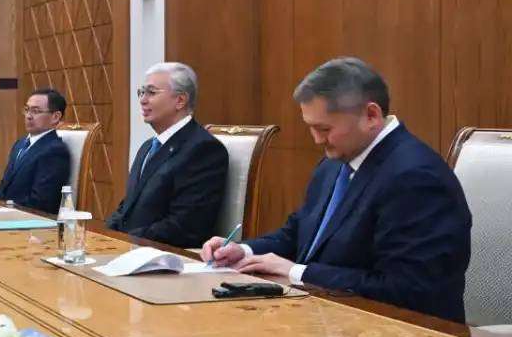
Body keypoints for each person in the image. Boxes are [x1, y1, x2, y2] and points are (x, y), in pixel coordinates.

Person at [200, 57, 471, 322]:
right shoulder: (335, 163)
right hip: (326, 321)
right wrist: (244, 251)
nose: (317, 140)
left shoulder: (416, 177)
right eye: (311, 128)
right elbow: (297, 234)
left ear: (371, 115)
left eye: (324, 128)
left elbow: (407, 289)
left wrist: (297, 272)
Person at [104, 62, 227, 248]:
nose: (143, 100)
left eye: (151, 93)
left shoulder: (202, 149)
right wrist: (104, 236)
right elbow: (127, 207)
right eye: (141, 92)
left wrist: (125, 240)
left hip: (166, 258)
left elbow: (185, 226)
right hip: (131, 249)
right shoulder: (148, 147)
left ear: (180, 100)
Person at [0, 88, 72, 214]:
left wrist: (5, 210)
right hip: (5, 214)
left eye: (36, 111)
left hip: (30, 220)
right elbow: (3, 186)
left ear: (55, 117)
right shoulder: (20, 144)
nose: (28, 116)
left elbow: (41, 202)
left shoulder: (55, 151)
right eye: (27, 110)